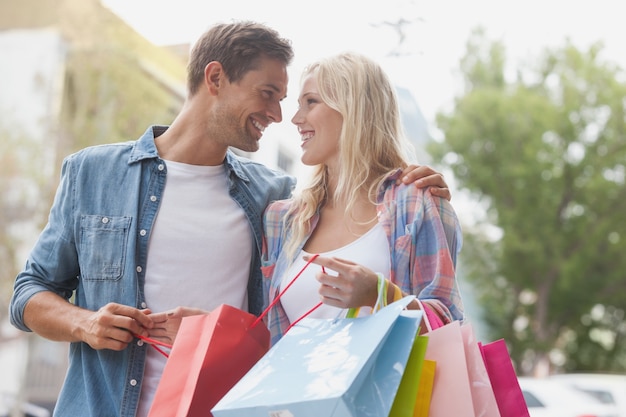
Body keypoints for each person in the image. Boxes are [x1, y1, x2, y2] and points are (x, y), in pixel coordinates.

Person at [9, 22, 451, 417]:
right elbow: (27, 292)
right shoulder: (94, 173)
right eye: (268, 94)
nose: (280, 116)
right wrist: (85, 324)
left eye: (292, 100)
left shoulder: (271, 197)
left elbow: (263, 336)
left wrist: (428, 210)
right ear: (215, 78)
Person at [261, 52, 464, 345]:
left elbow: (448, 325)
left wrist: (380, 295)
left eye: (311, 102)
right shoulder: (282, 220)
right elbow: (265, 335)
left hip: (386, 390)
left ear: (353, 110)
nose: (295, 118)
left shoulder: (414, 203)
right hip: (297, 391)